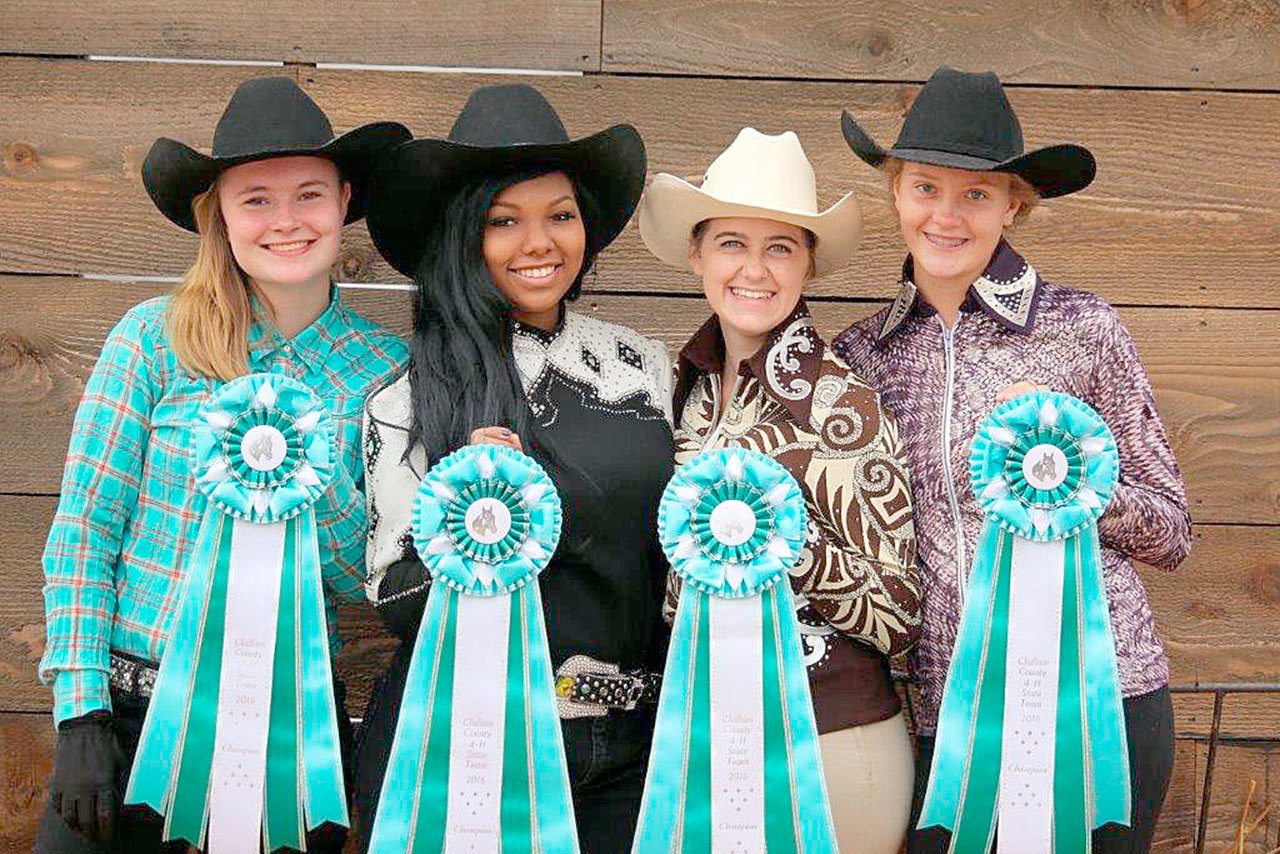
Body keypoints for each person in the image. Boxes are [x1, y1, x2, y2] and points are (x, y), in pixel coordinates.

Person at [36, 76, 410, 853]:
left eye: (308, 195)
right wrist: (80, 712)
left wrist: (309, 473)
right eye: (256, 200)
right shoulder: (151, 339)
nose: (285, 221)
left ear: (344, 202)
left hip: (287, 743)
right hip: (130, 721)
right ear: (220, 216)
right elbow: (85, 528)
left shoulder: (386, 371)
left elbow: (364, 578)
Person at [832, 66, 1191, 854]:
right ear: (895, 193)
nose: (947, 215)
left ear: (1014, 205)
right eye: (926, 188)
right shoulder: (861, 356)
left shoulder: (1084, 329)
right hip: (942, 723)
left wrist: (1078, 470)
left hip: (1099, 711)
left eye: (977, 194)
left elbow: (1172, 531)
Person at [355, 84, 674, 853]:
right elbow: (393, 599)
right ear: (465, 236)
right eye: (506, 221)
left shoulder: (645, 366)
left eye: (560, 216)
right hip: (466, 751)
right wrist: (463, 517)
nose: (540, 242)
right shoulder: (404, 398)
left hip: (634, 756)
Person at [637, 126, 922, 854]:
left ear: (808, 264)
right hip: (706, 737)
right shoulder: (687, 390)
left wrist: (780, 535)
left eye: (781, 247)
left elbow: (899, 611)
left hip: (827, 741)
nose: (754, 270)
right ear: (697, 254)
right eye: (732, 243)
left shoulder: (841, 405)